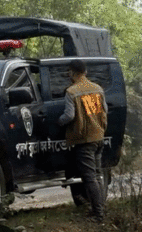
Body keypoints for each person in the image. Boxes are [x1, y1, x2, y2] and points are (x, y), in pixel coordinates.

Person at [57, 59, 108, 222]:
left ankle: (98, 215)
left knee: (89, 177)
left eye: (69, 72)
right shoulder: (97, 89)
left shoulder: (72, 92)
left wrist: (59, 121)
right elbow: (105, 110)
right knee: (98, 175)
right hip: (99, 136)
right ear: (85, 72)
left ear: (72, 72)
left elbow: (69, 116)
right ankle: (99, 210)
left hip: (84, 139)